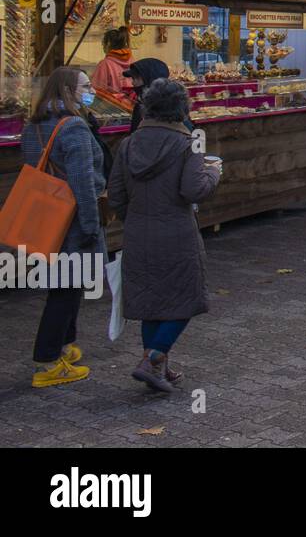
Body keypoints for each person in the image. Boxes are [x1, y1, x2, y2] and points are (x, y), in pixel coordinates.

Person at [107, 79, 221, 393]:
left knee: (151, 300)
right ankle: (153, 357)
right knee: (187, 297)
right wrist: (214, 173)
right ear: (181, 109)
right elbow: (194, 189)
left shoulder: (129, 144)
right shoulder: (189, 143)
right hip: (177, 232)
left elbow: (115, 194)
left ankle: (159, 365)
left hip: (138, 233)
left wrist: (137, 217)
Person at [21, 67, 106, 388]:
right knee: (65, 291)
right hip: (71, 218)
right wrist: (89, 225)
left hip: (46, 214)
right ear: (68, 91)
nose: (91, 90)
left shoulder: (34, 127)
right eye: (85, 86)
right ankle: (47, 361)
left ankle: (65, 345)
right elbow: (83, 182)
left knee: (66, 285)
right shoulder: (74, 128)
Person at [92, 26, 133, 99]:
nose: (102, 45)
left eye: (103, 42)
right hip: (130, 106)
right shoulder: (132, 61)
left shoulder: (105, 64)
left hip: (112, 107)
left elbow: (96, 92)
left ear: (108, 43)